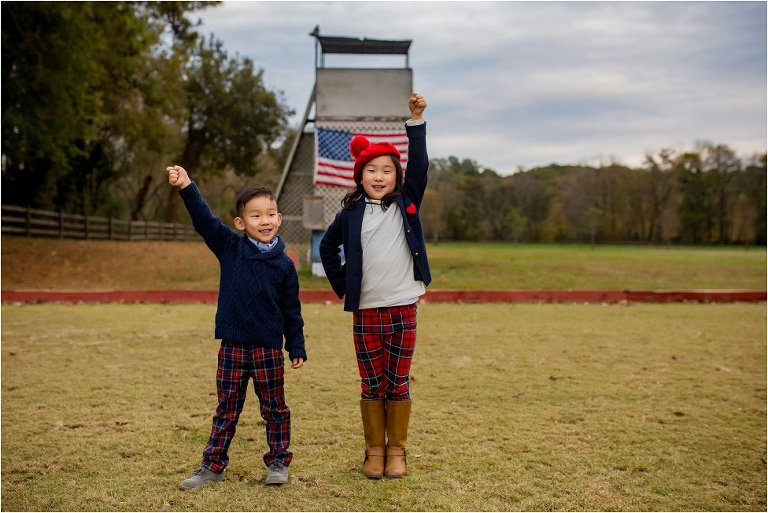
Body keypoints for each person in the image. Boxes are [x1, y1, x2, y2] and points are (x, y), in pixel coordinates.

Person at [166, 165, 307, 489]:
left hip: (268, 349)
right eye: (256, 216)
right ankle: (213, 465)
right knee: (226, 408)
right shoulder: (230, 248)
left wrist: (295, 344)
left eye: (271, 214)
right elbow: (205, 220)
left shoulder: (285, 265)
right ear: (241, 223)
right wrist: (187, 185)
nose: (265, 221)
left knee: (274, 409)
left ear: (280, 218)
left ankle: (278, 462)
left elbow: (291, 310)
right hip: (232, 346)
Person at [319, 93, 430, 479]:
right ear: (360, 176)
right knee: (371, 382)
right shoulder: (349, 214)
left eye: (387, 170)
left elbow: (420, 167)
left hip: (403, 308)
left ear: (396, 177)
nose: (379, 177)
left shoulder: (407, 204)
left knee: (397, 381)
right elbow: (328, 248)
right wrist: (342, 287)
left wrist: (415, 121)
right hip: (365, 311)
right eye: (372, 171)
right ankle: (374, 452)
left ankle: (396, 451)